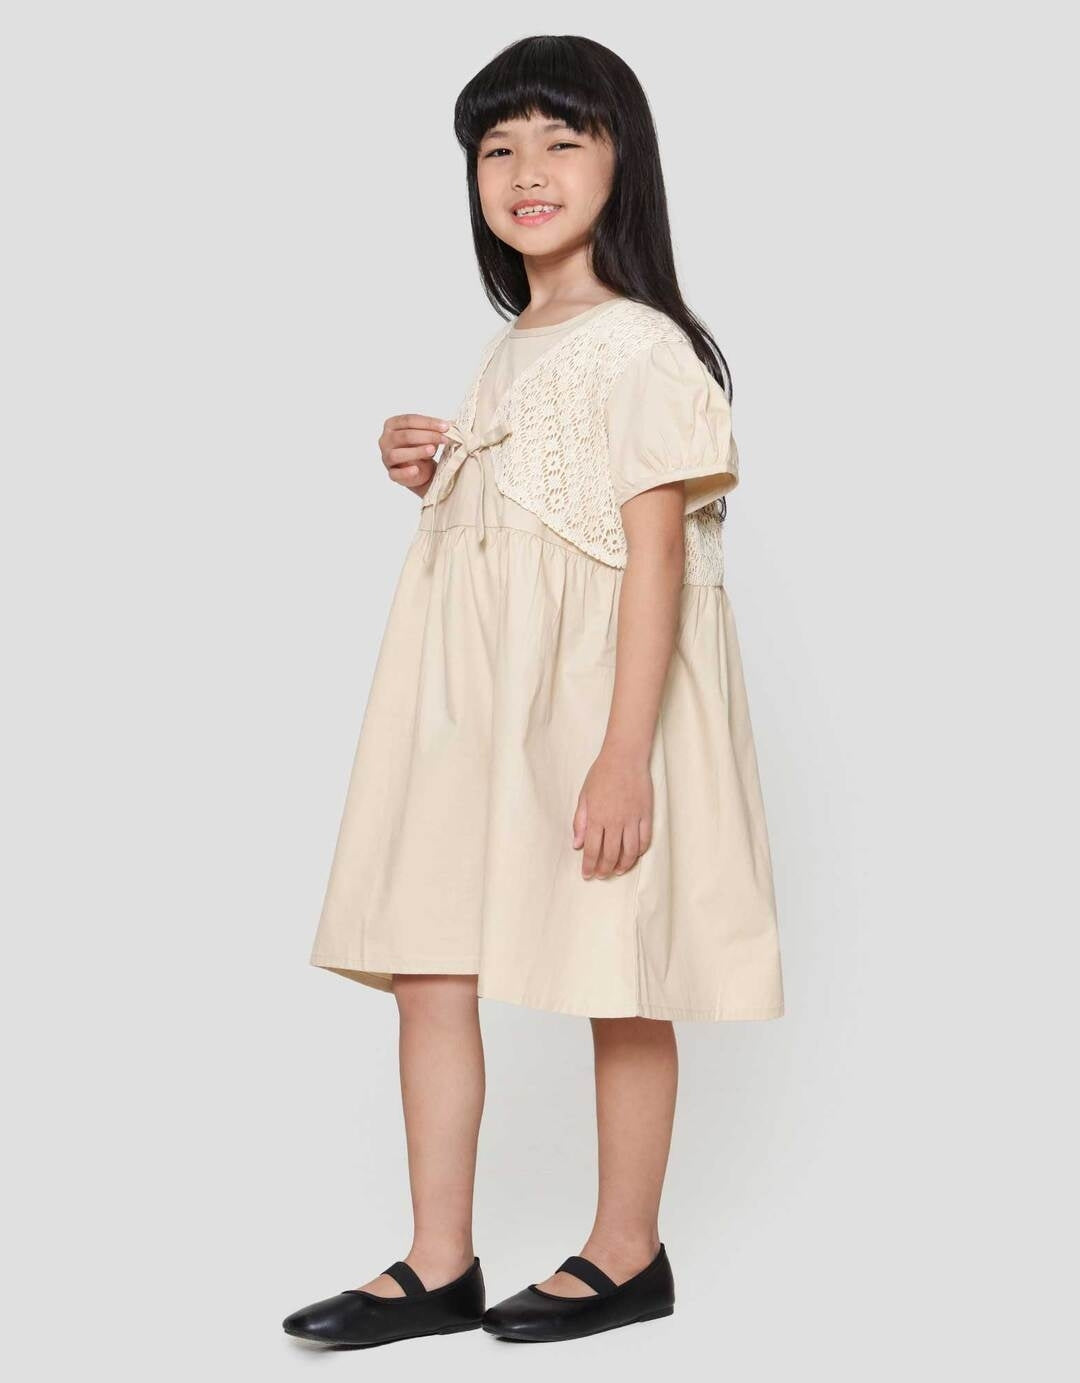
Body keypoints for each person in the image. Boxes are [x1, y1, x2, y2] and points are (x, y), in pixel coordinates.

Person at [283, 34, 784, 1350]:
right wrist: (435, 463)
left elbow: (654, 555)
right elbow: (529, 525)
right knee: (429, 956)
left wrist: (623, 757)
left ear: (624, 163)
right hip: (473, 705)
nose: (526, 171)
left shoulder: (644, 347)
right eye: (498, 148)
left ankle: (628, 1251)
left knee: (621, 965)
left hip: (590, 709)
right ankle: (436, 1261)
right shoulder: (514, 346)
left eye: (563, 140)